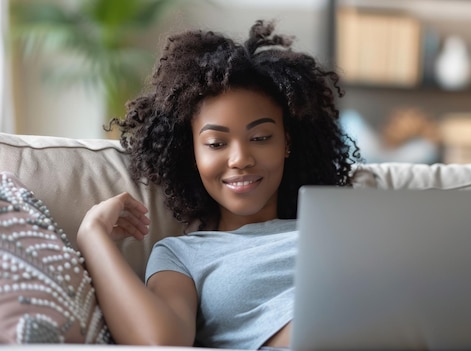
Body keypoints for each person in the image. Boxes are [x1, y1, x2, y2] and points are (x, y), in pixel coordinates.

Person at [76, 20, 360, 349]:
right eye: (216, 143)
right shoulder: (182, 255)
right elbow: (161, 342)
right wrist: (93, 236)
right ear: (191, 153)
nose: (240, 158)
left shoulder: (338, 228)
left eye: (261, 137)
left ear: (286, 143)